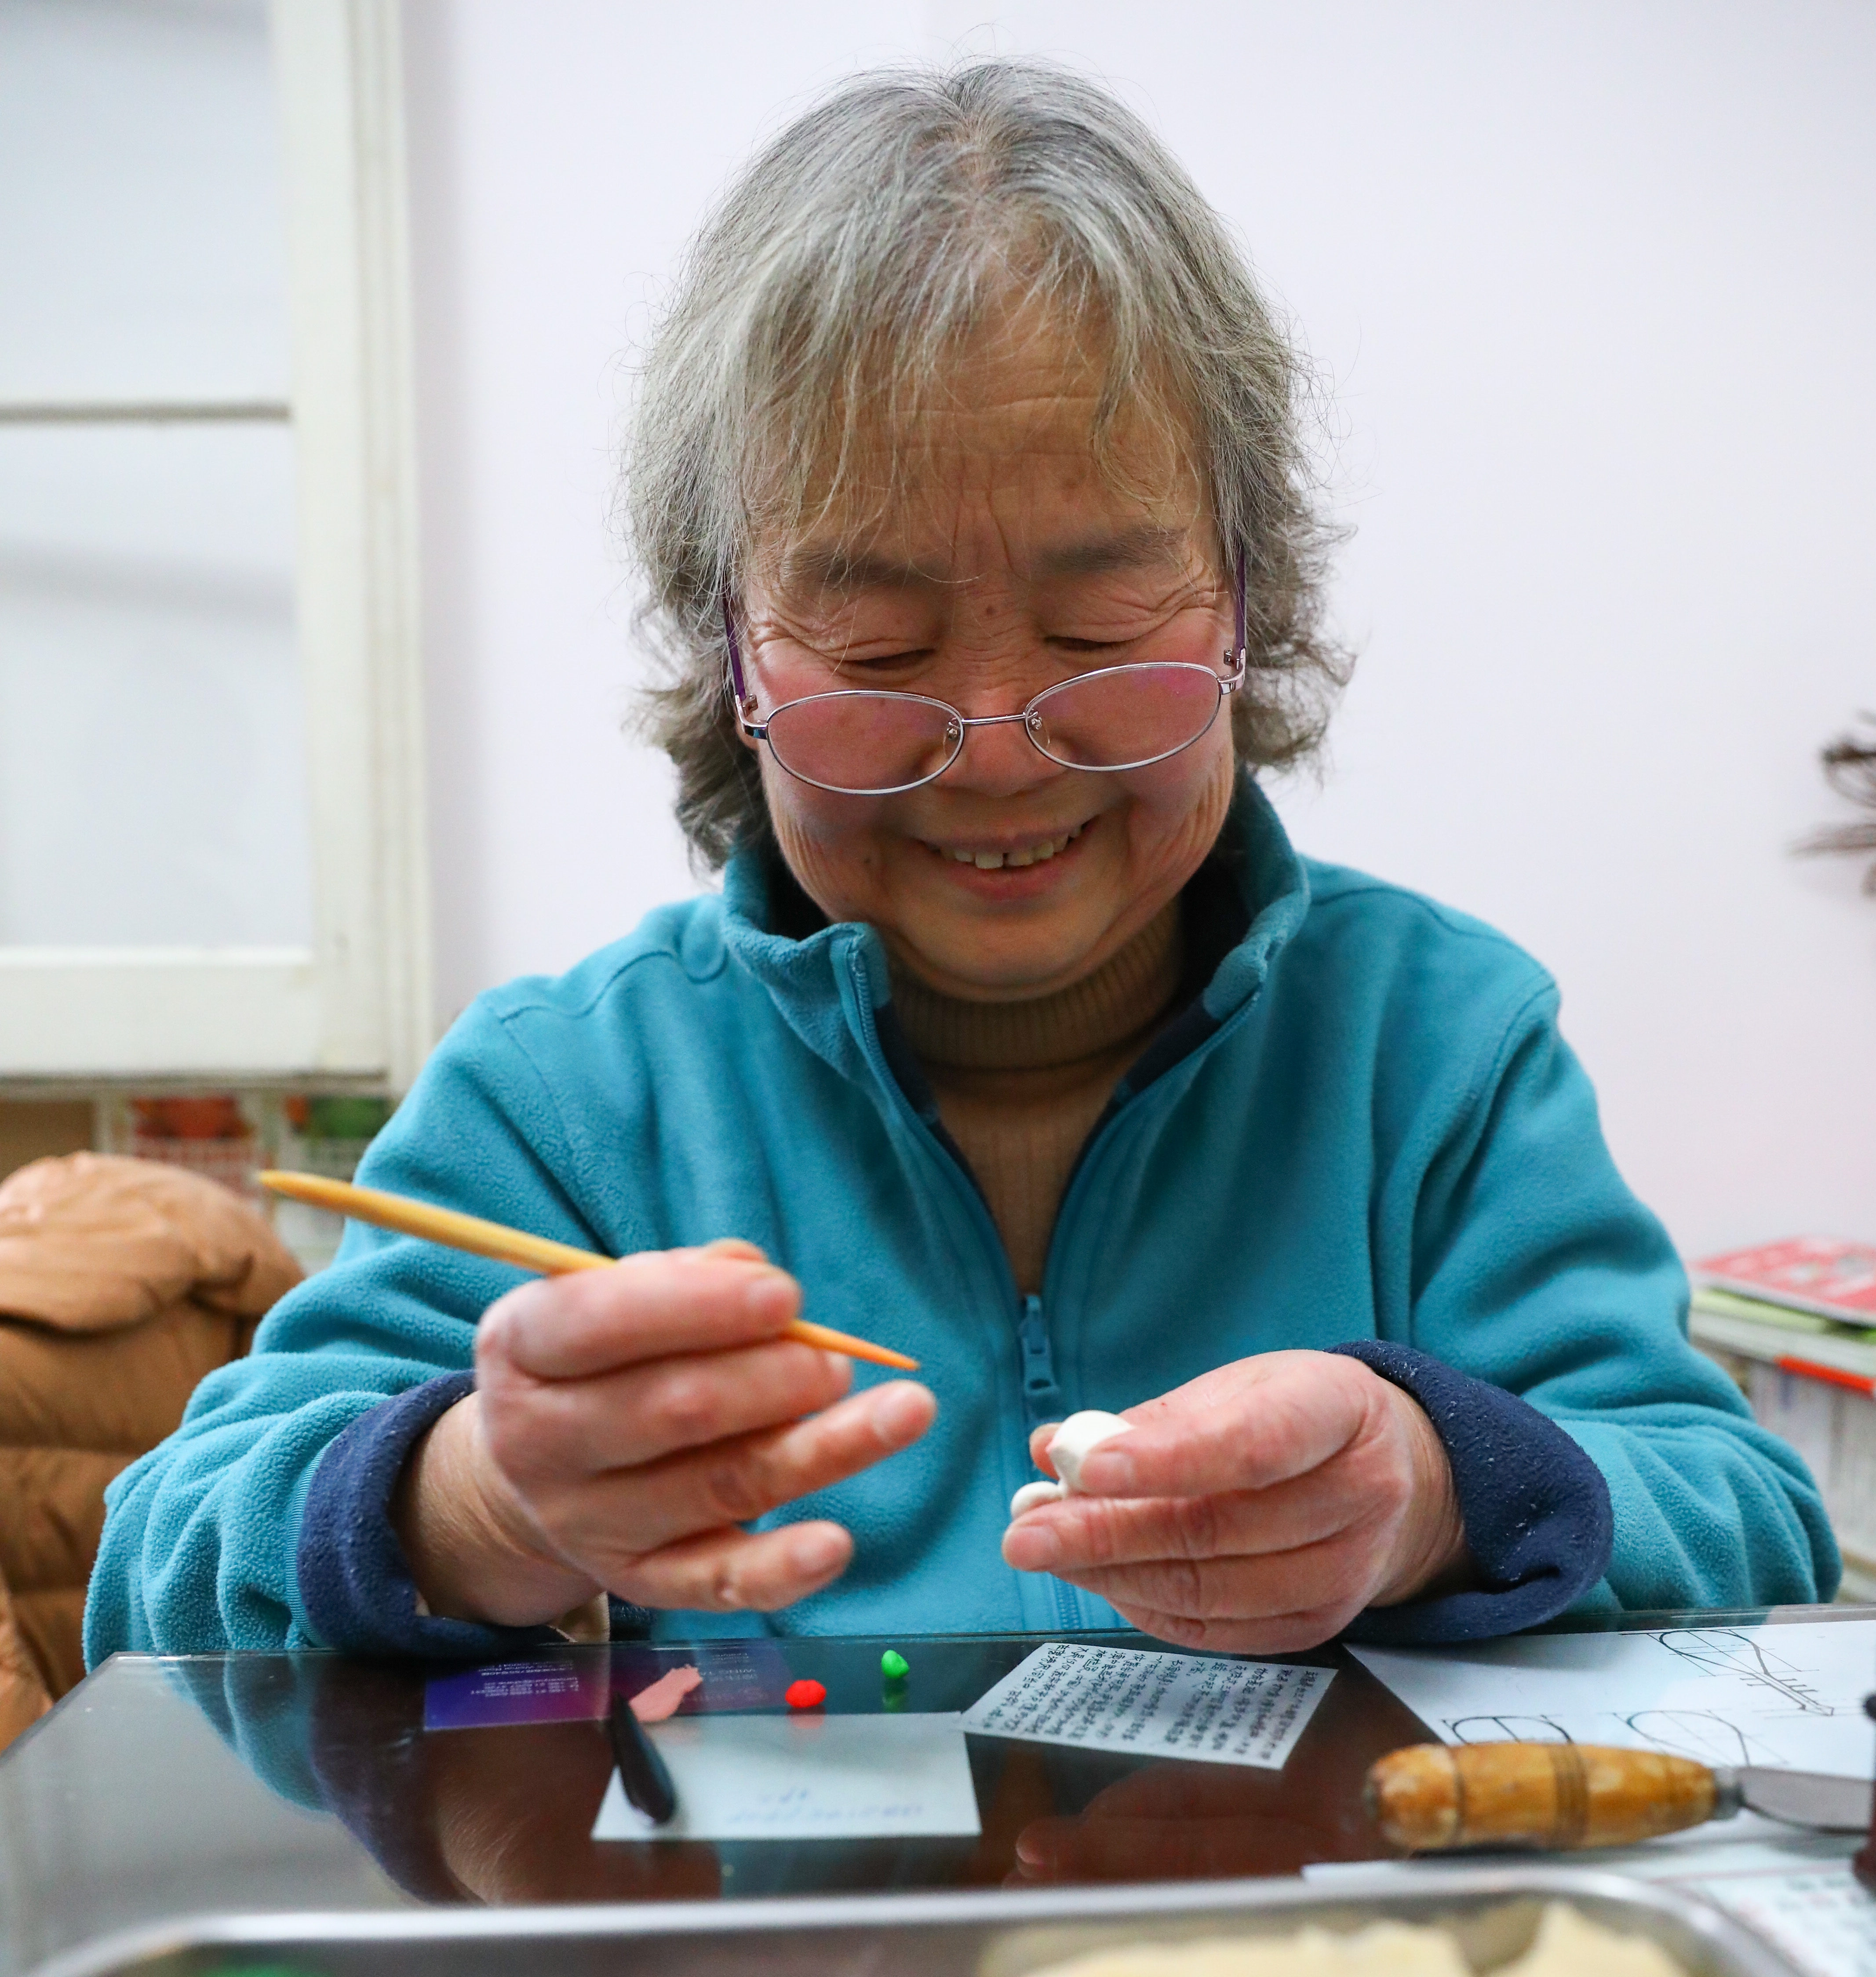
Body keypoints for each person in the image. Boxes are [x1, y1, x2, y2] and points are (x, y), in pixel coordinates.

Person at [86, 62, 1836, 1675]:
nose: (996, 745)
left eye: (1094, 625)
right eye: (874, 637)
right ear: (734, 657)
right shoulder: (568, 1104)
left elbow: (1743, 1509)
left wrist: (1439, 1489)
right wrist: (481, 1502)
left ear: (1243, 602)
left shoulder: (1432, 1049)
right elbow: (153, 1565)